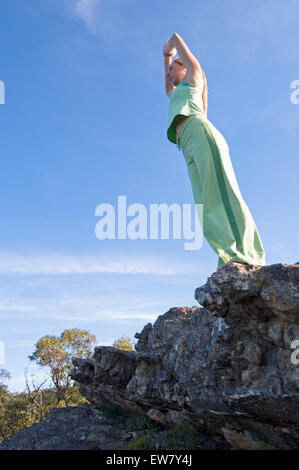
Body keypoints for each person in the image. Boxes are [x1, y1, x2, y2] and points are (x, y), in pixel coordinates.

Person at [163, 33, 266, 274]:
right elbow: (167, 88)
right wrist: (165, 58)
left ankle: (246, 253)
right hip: (187, 146)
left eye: (172, 69)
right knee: (206, 205)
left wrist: (172, 44)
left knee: (223, 194)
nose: (168, 74)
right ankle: (228, 255)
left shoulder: (194, 79)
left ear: (184, 69)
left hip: (201, 133)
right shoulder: (175, 93)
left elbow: (183, 49)